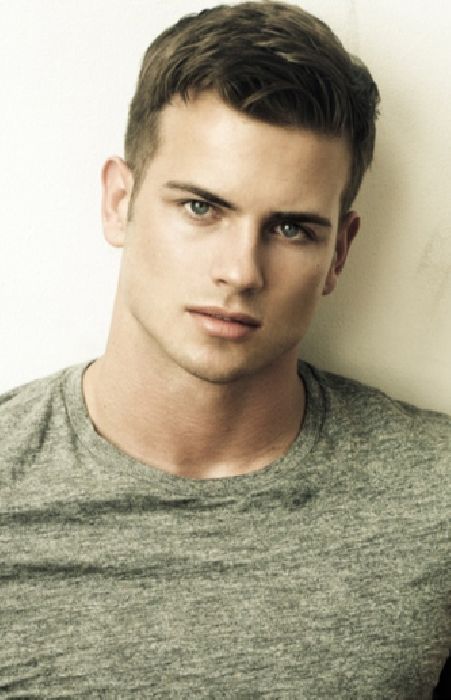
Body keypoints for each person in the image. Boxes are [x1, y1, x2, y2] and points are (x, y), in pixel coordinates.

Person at [0, 1, 449, 697]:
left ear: (339, 252)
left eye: (291, 229)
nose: (241, 272)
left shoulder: (435, 498)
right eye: (201, 207)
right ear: (119, 202)